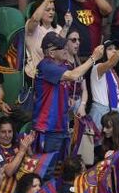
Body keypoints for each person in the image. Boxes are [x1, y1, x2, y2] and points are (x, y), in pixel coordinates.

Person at [33, 32, 104, 163]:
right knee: (46, 171)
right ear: (52, 53)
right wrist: (93, 58)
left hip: (62, 126)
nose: (66, 49)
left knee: (61, 170)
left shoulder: (63, 65)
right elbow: (73, 75)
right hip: (49, 128)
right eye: (62, 47)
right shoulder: (46, 65)